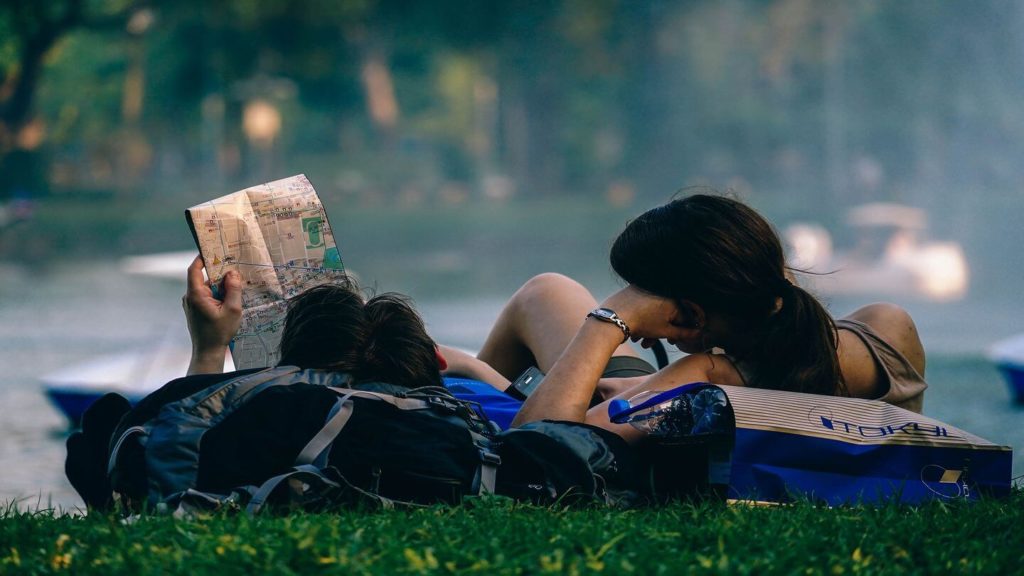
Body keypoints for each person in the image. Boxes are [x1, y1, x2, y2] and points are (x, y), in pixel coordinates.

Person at [506, 194, 927, 442]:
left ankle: (454, 400)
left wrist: (611, 319)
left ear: (689, 314)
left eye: (640, 293)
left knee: (544, 292)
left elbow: (542, 445)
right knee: (547, 293)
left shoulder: (703, 376)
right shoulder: (887, 327)